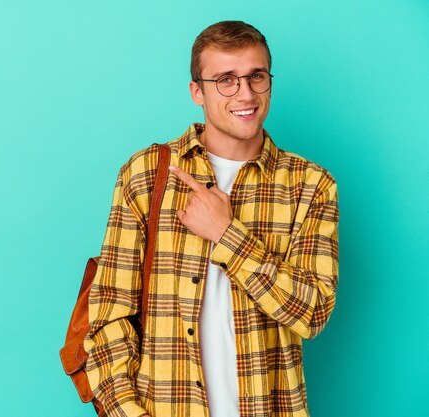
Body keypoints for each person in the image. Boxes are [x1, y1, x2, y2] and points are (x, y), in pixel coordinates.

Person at [84, 20, 339, 417]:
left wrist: (226, 234)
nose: (245, 93)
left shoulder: (310, 185)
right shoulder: (147, 175)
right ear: (197, 92)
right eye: (225, 79)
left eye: (256, 76)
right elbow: (109, 315)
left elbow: (312, 312)